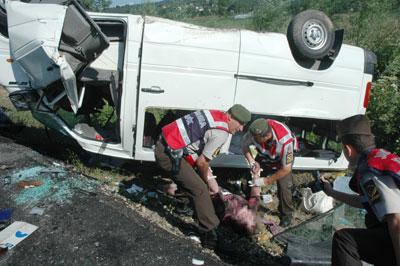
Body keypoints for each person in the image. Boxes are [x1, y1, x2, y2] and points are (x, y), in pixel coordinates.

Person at [154, 104, 251, 249]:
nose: (241, 129)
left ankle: (183, 205)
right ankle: (210, 233)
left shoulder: (214, 113)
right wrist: (208, 182)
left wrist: (209, 178)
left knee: (192, 180)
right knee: (200, 189)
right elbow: (202, 163)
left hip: (166, 144)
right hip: (169, 155)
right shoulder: (221, 132)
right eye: (240, 123)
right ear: (230, 116)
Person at [321, 115, 400, 266]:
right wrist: (332, 193)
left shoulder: (370, 170)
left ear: (348, 149)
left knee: (344, 240)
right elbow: (368, 201)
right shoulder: (383, 158)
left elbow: (396, 220)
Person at [242, 118, 296, 227]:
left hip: (282, 160)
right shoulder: (254, 132)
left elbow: (286, 169)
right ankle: (249, 204)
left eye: (256, 139)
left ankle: (287, 214)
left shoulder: (286, 141)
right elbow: (244, 146)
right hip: (264, 155)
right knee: (249, 180)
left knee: (284, 186)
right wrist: (252, 162)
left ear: (266, 136)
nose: (253, 140)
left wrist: (267, 181)